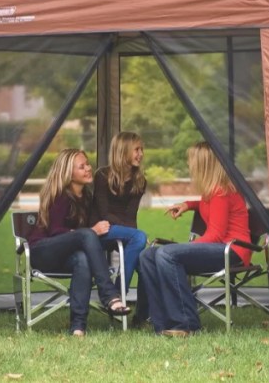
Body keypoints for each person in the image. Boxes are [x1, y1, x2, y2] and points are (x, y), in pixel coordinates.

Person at [136, 141, 252, 336]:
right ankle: (162, 323)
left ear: (202, 165)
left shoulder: (220, 192)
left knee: (166, 254)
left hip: (232, 251)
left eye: (191, 161)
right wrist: (188, 204)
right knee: (147, 255)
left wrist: (179, 248)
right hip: (221, 248)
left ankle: (186, 323)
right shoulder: (212, 193)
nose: (189, 165)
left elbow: (215, 236)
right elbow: (209, 206)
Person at [26, 148, 131, 335]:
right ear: (68, 172)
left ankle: (78, 327)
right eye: (81, 167)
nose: (88, 169)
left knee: (82, 259)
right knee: (87, 235)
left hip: (64, 257)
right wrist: (90, 232)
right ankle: (109, 296)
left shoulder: (86, 197)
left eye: (87, 164)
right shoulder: (60, 195)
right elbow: (56, 231)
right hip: (41, 251)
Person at [93, 132, 149, 292]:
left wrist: (132, 235)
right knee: (139, 237)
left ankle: (143, 314)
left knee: (146, 262)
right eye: (136, 150)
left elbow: (131, 215)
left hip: (122, 230)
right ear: (123, 151)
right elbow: (104, 213)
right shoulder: (102, 175)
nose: (141, 154)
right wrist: (134, 234)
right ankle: (117, 294)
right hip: (100, 230)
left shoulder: (140, 180)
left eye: (142, 150)